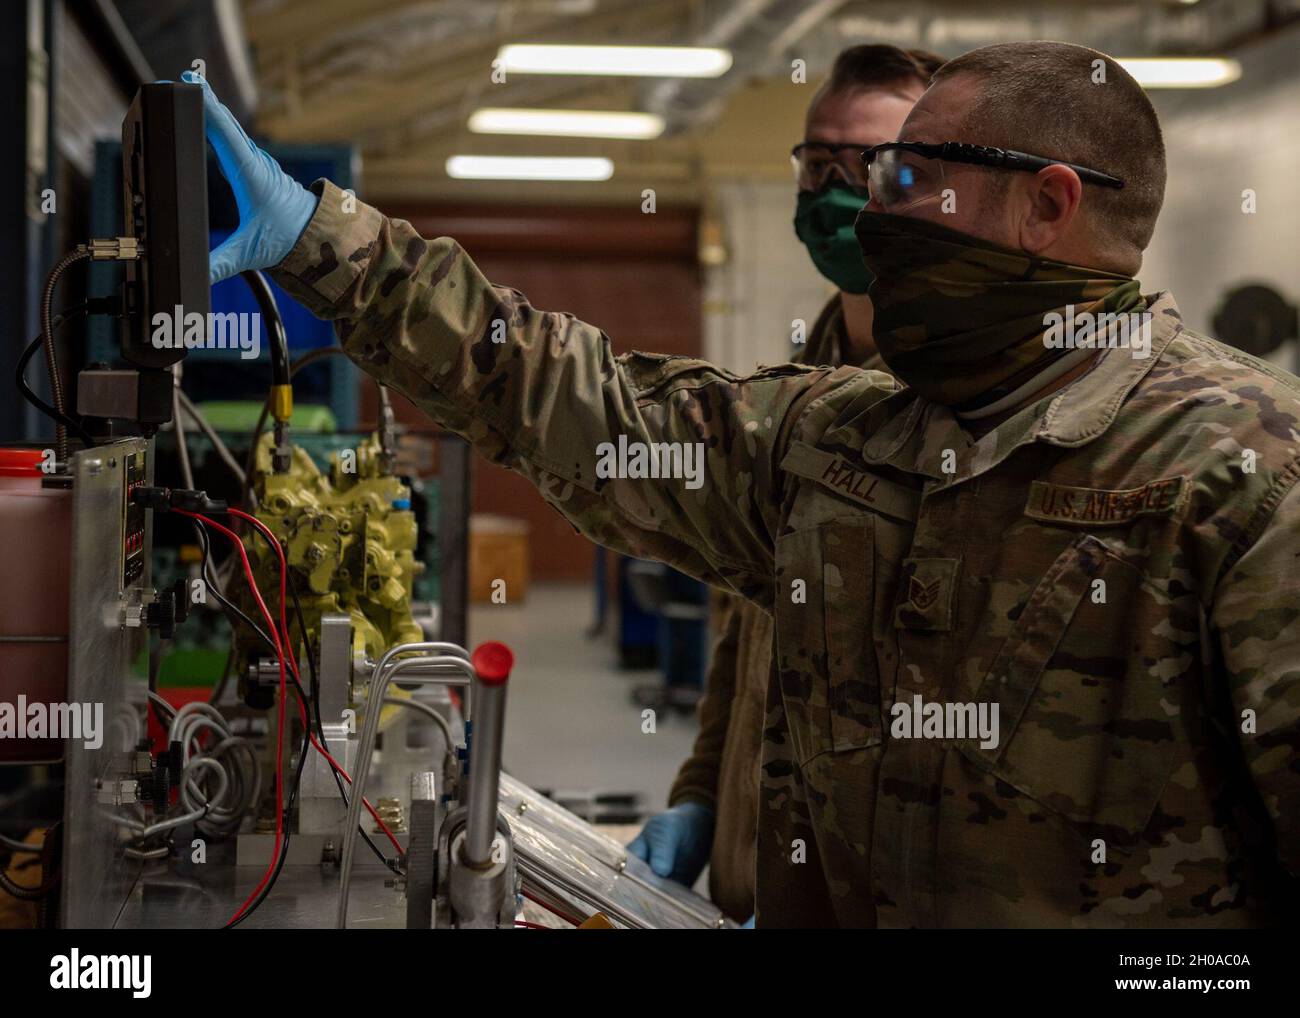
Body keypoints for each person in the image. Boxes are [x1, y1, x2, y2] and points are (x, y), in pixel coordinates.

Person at [189, 38, 1300, 928]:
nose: (871, 213)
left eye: (907, 180)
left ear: (1048, 205)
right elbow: (581, 401)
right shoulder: (841, 437)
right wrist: (321, 242)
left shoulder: (1242, 479)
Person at [628, 44, 943, 925]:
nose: (839, 191)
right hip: (749, 876)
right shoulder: (801, 383)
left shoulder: (968, 414)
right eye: (821, 163)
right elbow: (748, 623)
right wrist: (700, 799)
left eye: (879, 165)